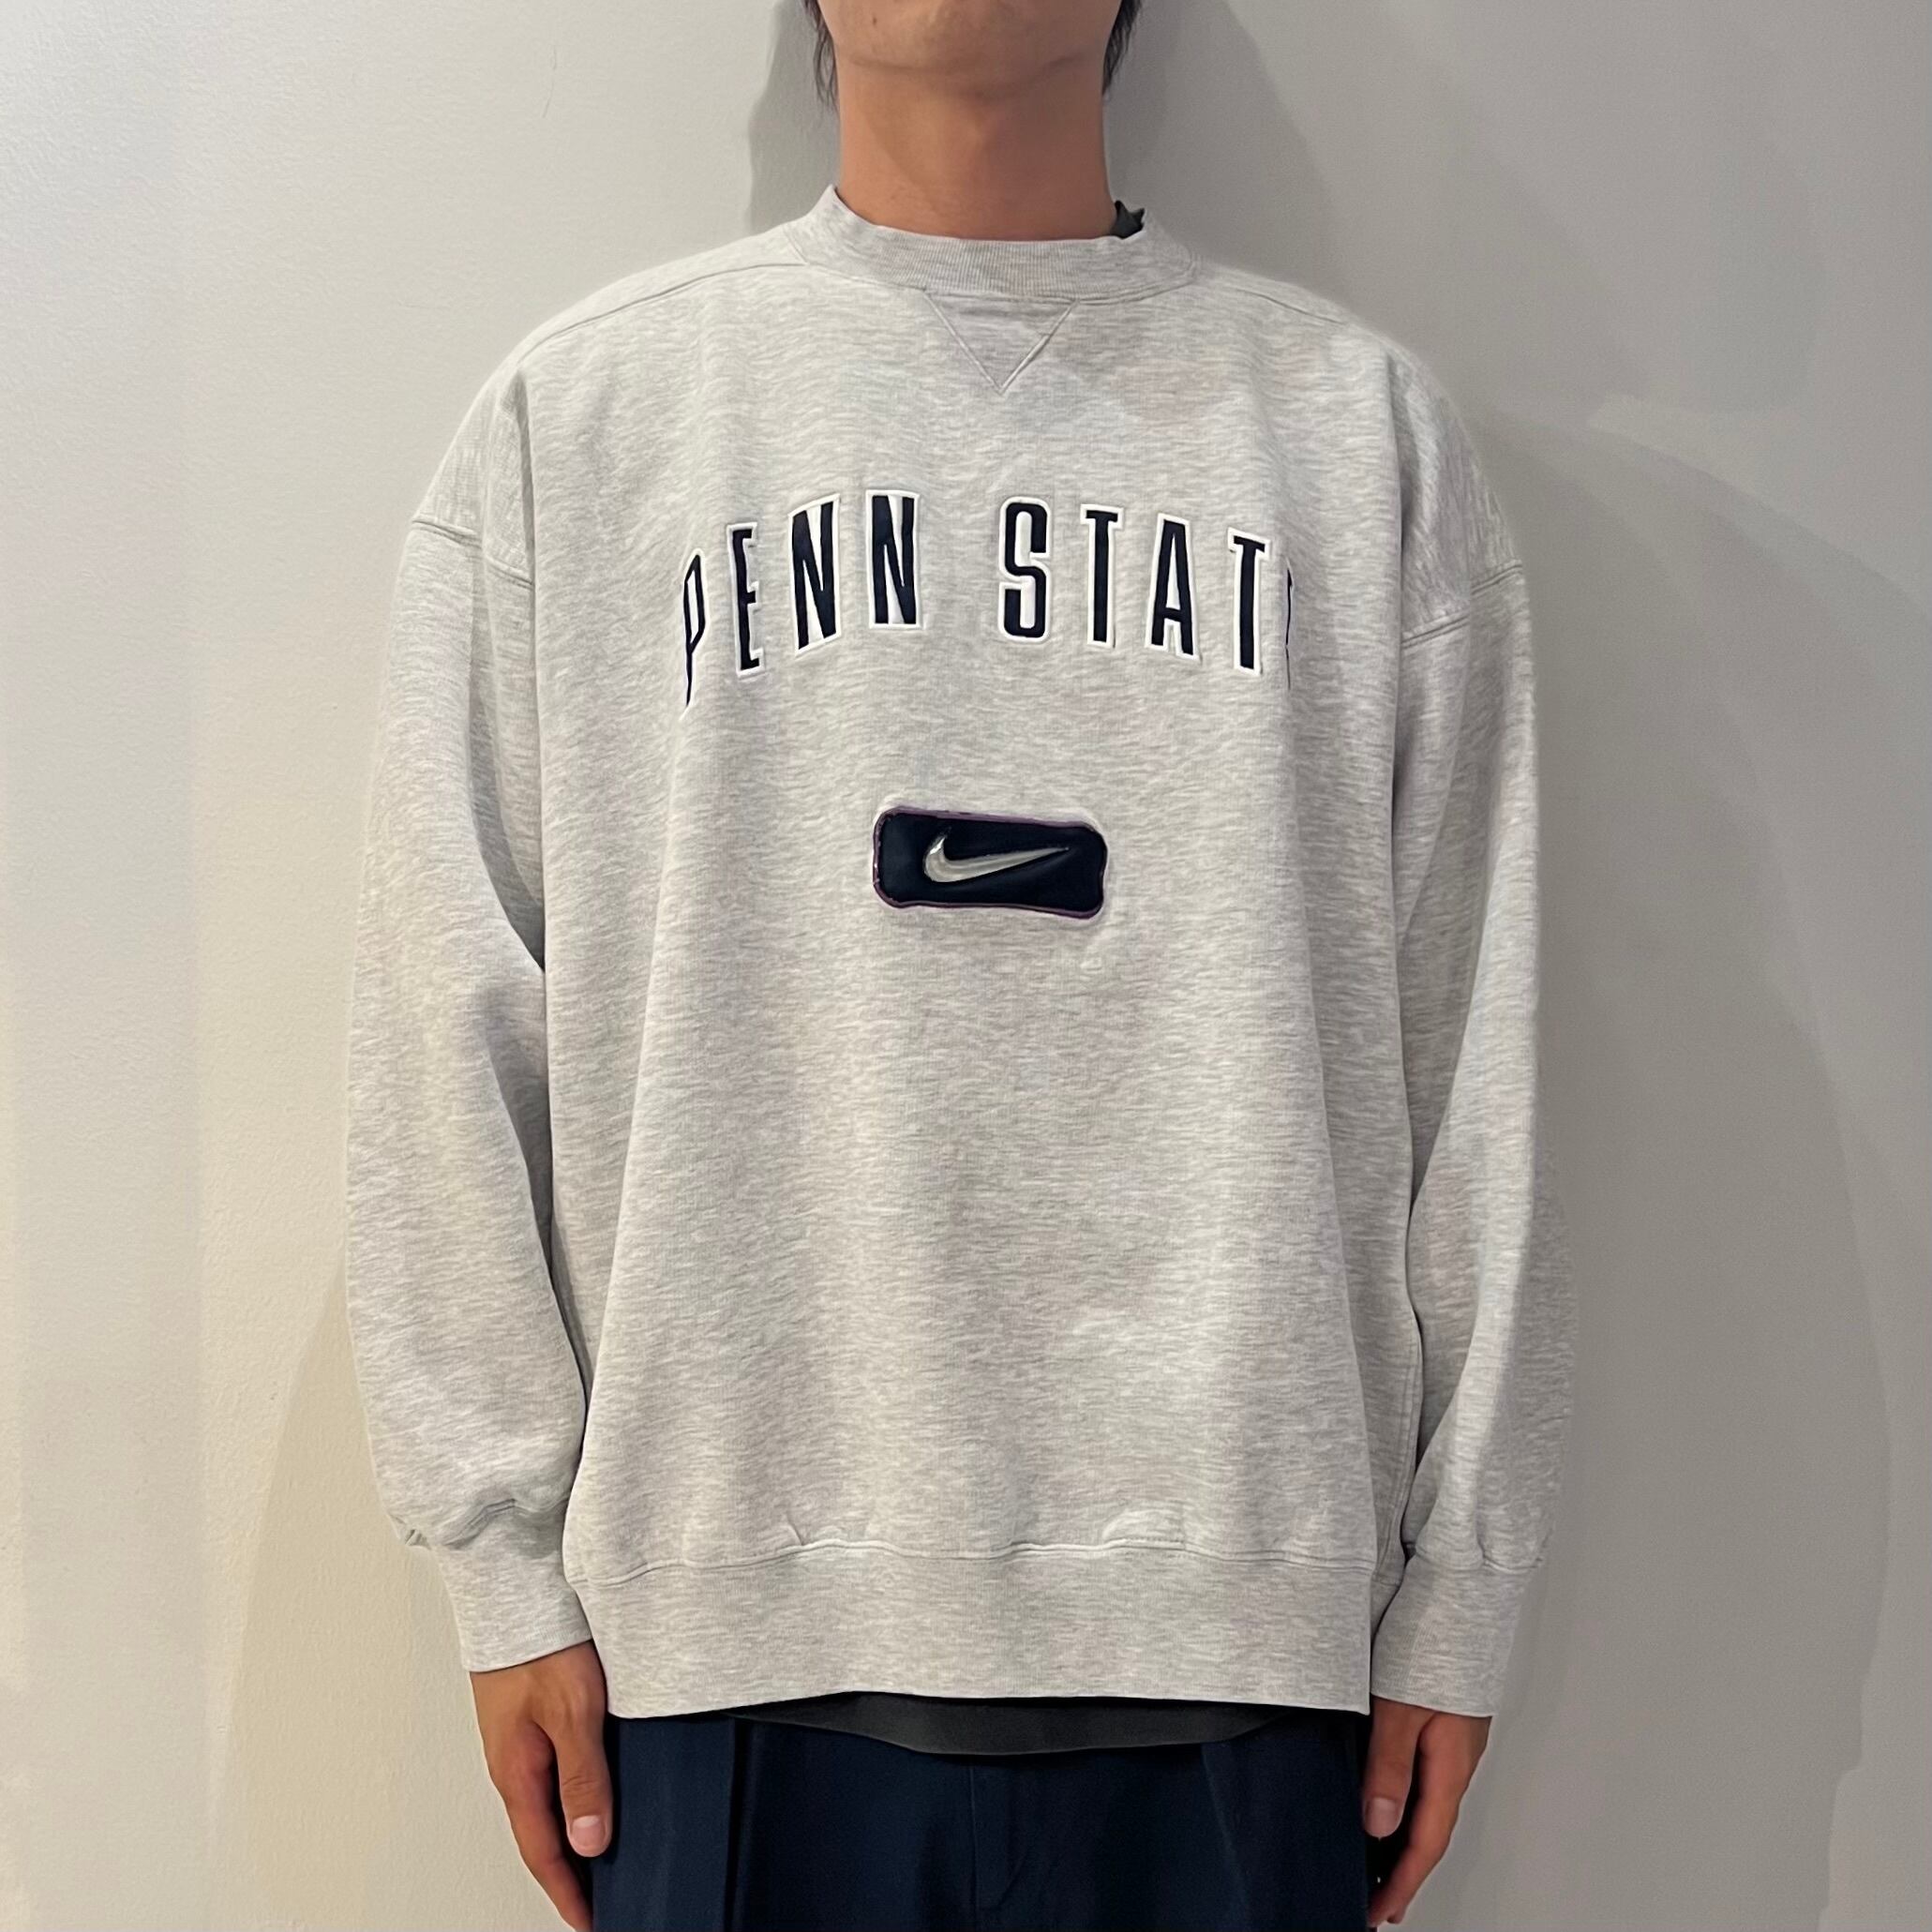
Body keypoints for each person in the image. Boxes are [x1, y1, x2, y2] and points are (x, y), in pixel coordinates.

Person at [342, 2, 1578, 1926]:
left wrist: (1463, 1576)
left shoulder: (1351, 434)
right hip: (718, 1635)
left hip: (1236, 1624)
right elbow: (442, 1016)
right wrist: (501, 1561)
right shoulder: (585, 423)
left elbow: (1468, 1039)